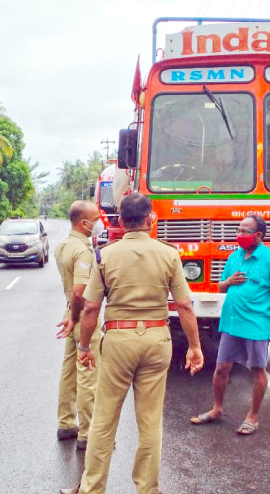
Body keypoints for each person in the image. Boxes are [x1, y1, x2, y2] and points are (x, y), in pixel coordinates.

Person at [60, 193, 204, 494]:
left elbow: (89, 308)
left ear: (121, 221)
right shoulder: (169, 254)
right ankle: (147, 488)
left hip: (118, 341)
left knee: (103, 418)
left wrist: (84, 348)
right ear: (151, 219)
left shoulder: (105, 255)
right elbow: (185, 305)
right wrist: (194, 346)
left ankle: (92, 487)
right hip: (157, 339)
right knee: (150, 422)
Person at [190, 215, 270, 435]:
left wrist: (261, 304)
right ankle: (217, 409)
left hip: (256, 325)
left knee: (257, 370)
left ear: (259, 235)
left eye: (246, 231)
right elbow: (220, 287)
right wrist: (228, 282)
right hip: (231, 323)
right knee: (221, 368)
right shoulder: (234, 257)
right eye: (239, 230)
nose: (240, 235)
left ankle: (252, 417)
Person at [54, 201, 105, 449]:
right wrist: (75, 318)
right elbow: (79, 293)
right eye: (96, 218)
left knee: (69, 371)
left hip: (70, 312)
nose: (99, 222)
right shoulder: (82, 250)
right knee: (88, 374)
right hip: (83, 316)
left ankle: (66, 423)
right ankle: (88, 433)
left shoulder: (63, 245)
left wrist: (69, 315)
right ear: (84, 223)